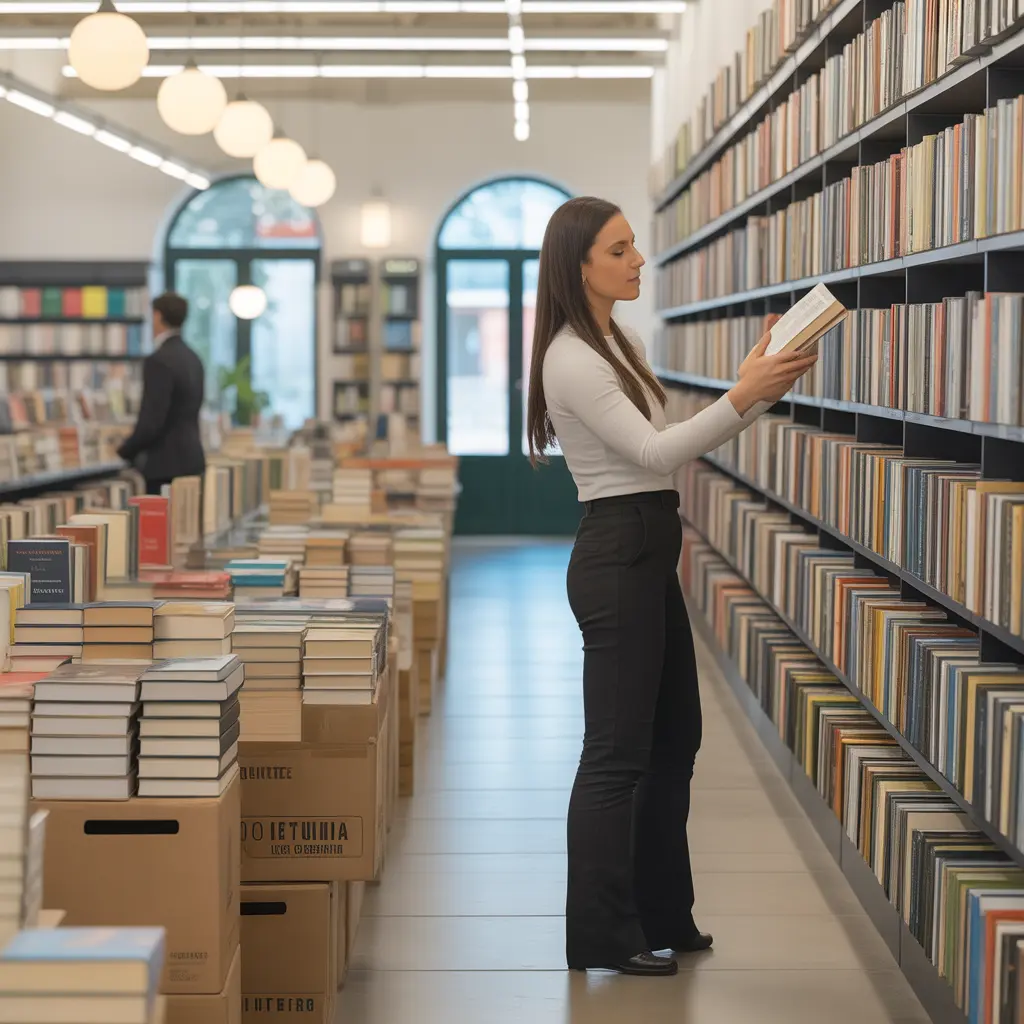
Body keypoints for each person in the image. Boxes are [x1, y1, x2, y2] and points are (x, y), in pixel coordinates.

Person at [526, 196, 817, 978]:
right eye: (620, 250)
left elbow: (669, 443)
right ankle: (601, 934)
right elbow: (656, 454)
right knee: (616, 755)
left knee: (673, 740)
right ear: (579, 265)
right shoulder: (573, 357)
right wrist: (743, 393)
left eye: (633, 247)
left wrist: (759, 390)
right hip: (619, 551)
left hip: (648, 545)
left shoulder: (613, 339)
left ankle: (662, 913)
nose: (637, 261)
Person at [118, 292, 206, 497]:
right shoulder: (194, 358)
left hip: (165, 464)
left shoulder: (158, 360)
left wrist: (124, 450)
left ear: (157, 316)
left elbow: (152, 421)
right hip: (193, 458)